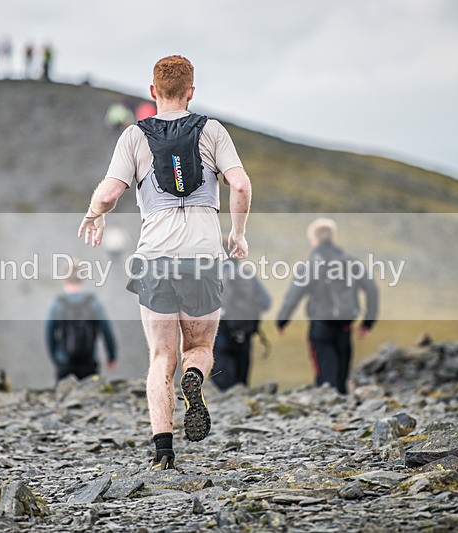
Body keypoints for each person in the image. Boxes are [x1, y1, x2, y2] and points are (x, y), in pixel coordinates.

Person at [78, 55, 252, 470]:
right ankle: (194, 378)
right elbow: (241, 185)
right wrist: (238, 233)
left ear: (153, 91)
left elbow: (108, 193)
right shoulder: (212, 130)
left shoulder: (134, 136)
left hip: (155, 260)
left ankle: (163, 453)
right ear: (191, 91)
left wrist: (93, 214)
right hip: (203, 259)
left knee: (160, 356)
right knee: (200, 346)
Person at [276, 218, 379, 394]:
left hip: (320, 327)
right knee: (341, 374)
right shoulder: (351, 262)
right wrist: (367, 323)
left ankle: (328, 408)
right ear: (333, 238)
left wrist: (282, 321)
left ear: (314, 240)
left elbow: (294, 294)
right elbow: (372, 290)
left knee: (325, 375)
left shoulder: (311, 265)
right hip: (345, 326)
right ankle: (342, 410)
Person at [211, 238, 271, 391]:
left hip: (221, 334)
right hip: (245, 333)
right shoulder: (248, 275)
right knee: (241, 384)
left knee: (222, 386)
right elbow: (266, 302)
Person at [45, 262, 117, 381]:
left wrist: (55, 357)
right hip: (88, 362)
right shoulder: (94, 303)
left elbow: (49, 334)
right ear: (81, 277)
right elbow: (106, 331)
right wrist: (112, 356)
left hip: (64, 364)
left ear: (65, 278)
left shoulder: (57, 304)